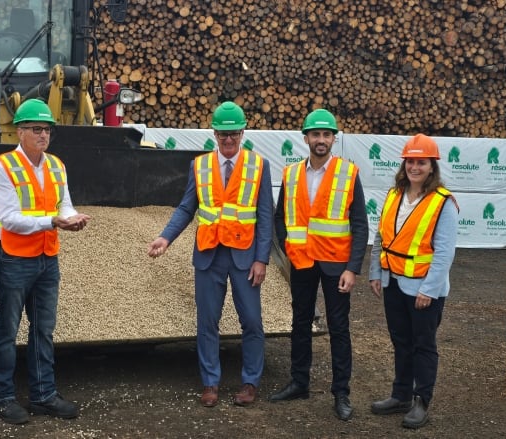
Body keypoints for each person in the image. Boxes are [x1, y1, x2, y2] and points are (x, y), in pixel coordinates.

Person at [147, 101, 273, 408]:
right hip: (208, 255)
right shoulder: (199, 165)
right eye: (222, 134)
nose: (228, 140)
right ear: (214, 134)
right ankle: (210, 383)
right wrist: (166, 237)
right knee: (207, 322)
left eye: (233, 134)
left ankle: (250, 382)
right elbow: (187, 207)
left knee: (253, 322)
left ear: (242, 132)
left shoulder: (259, 165)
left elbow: (266, 215)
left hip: (244, 255)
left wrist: (262, 259)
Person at [0, 99, 90, 424]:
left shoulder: (57, 165)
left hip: (47, 258)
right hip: (15, 259)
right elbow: (10, 219)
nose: (43, 135)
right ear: (20, 131)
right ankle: (2, 397)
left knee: (43, 330)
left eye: (47, 130)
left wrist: (72, 218)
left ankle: (43, 394)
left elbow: (65, 204)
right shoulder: (4, 167)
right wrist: (53, 222)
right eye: (36, 129)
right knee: (7, 330)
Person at [269, 108, 368, 422]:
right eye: (316, 134)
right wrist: (287, 248)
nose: (321, 140)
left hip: (337, 264)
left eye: (326, 135)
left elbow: (360, 225)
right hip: (302, 262)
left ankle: (341, 392)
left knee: (339, 329)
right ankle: (299, 382)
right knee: (300, 323)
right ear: (306, 138)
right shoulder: (292, 174)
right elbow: (280, 217)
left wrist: (353, 268)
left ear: (333, 138)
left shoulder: (348, 174)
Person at [368, 134, 458, 429]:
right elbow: (381, 236)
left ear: (432, 166)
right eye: (411, 161)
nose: (415, 167)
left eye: (422, 162)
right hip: (394, 282)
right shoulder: (394, 194)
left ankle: (421, 401)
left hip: (422, 289)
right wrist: (375, 273)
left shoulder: (442, 202)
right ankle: (401, 395)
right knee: (400, 341)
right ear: (404, 163)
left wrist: (428, 290)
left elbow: (444, 252)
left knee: (423, 345)